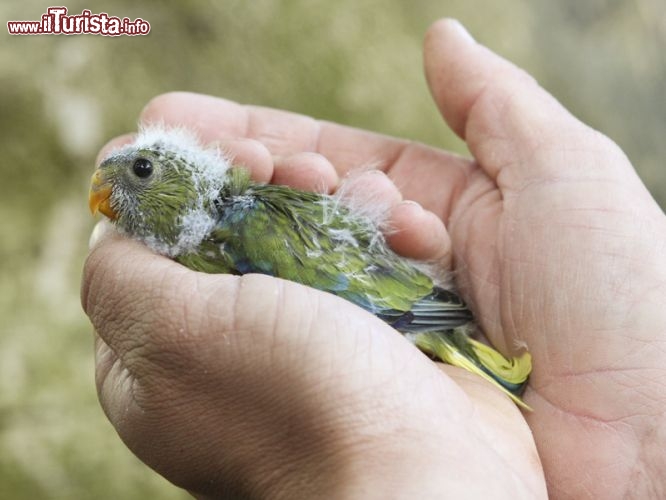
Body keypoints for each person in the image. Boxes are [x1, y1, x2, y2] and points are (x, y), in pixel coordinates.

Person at [81, 19, 666, 499]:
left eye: (140, 172)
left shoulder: (245, 232)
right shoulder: (202, 251)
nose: (107, 194)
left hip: (417, 320)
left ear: (183, 176)